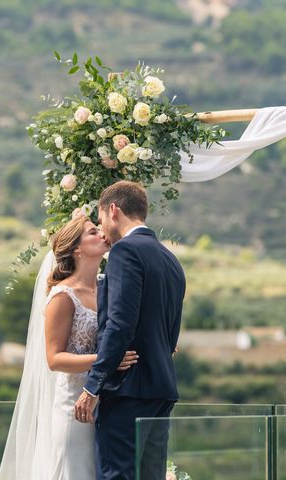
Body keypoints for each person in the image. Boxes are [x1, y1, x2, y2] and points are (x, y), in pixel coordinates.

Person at [0, 215, 138, 479]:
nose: (101, 234)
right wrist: (106, 360)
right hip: (75, 406)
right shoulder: (63, 296)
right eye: (92, 232)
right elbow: (54, 359)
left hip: (108, 402)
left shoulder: (105, 288)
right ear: (77, 248)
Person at [74, 181, 186, 480]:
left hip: (128, 390)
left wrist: (93, 385)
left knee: (116, 475)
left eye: (100, 219)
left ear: (113, 210)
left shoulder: (125, 252)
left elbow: (119, 324)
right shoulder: (170, 260)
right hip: (161, 388)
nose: (102, 227)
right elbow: (171, 334)